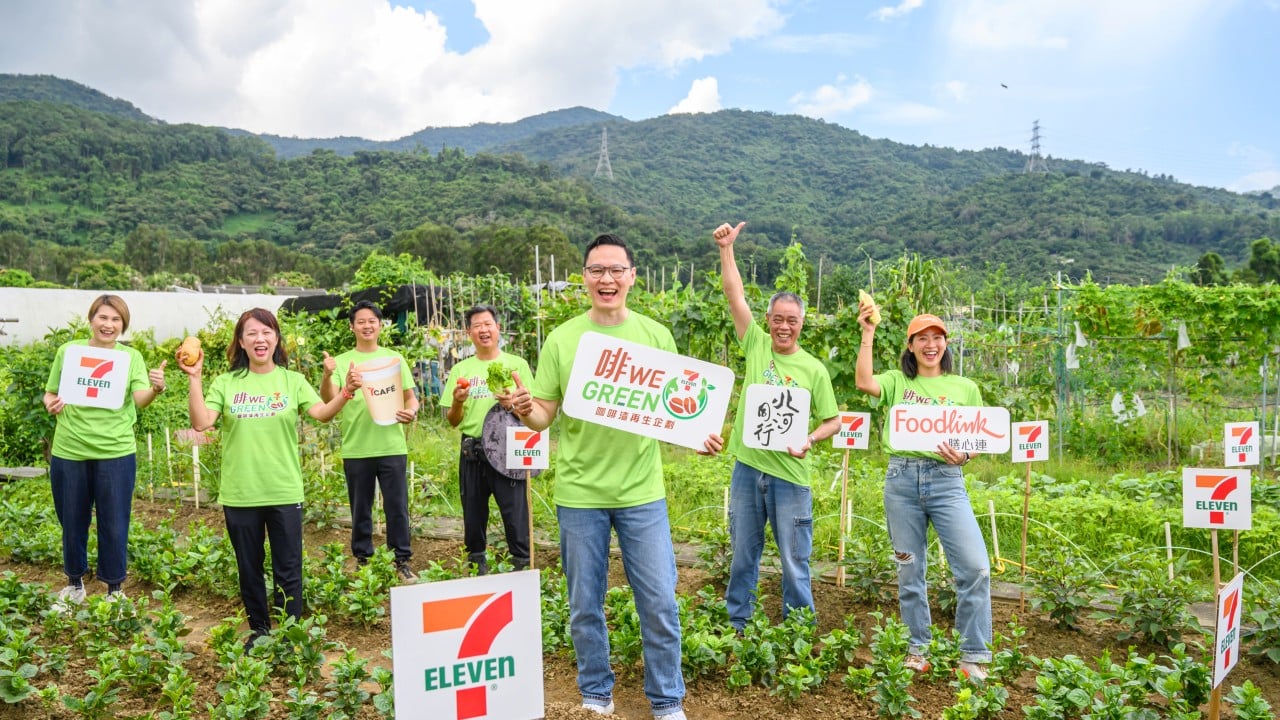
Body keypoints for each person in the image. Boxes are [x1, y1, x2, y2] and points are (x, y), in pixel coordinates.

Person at [510, 233, 721, 720]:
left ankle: (667, 700)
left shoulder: (655, 336)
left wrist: (698, 437)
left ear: (631, 276)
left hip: (642, 494)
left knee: (660, 603)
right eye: (596, 270)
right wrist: (526, 410)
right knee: (584, 605)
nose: (606, 279)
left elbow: (675, 413)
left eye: (615, 270)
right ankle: (596, 693)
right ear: (584, 278)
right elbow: (543, 415)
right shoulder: (563, 339)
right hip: (580, 494)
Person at [180, 308, 355, 643]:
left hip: (284, 490)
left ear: (276, 338)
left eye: (266, 332)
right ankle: (259, 631)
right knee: (250, 568)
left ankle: (290, 633)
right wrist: (194, 378)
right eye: (252, 334)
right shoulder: (226, 383)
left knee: (288, 569)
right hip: (241, 492)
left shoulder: (292, 380)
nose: (260, 339)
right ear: (241, 342)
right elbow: (202, 423)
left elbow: (321, 414)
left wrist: (345, 393)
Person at [712, 222, 841, 633]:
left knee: (794, 558)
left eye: (792, 321)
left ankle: (799, 632)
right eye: (778, 319)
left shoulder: (813, 369)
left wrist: (810, 439)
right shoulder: (756, 344)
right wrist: (727, 249)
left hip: (790, 477)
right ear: (767, 319)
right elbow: (734, 294)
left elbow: (833, 420)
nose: (784, 327)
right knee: (743, 555)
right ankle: (738, 625)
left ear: (803, 323)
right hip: (748, 469)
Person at [854, 308, 992, 684]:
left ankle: (972, 654)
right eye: (922, 339)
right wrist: (868, 332)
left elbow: (979, 438)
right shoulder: (898, 382)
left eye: (937, 338)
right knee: (910, 569)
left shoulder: (965, 388)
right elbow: (864, 381)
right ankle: (918, 648)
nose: (931, 345)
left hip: (948, 482)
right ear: (911, 346)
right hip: (901, 482)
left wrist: (964, 455)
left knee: (976, 567)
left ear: (945, 344)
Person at [43, 294, 167, 609]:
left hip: (116, 451)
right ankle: (74, 585)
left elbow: (139, 398)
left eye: (115, 320)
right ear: (91, 319)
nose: (108, 325)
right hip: (69, 449)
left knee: (114, 521)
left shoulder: (130, 358)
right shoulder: (68, 352)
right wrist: (51, 404)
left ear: (122, 324)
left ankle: (114, 591)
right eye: (103, 317)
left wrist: (155, 388)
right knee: (71, 519)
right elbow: (50, 392)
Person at [321, 300, 420, 581]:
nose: (367, 325)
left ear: (380, 325)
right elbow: (330, 398)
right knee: (360, 508)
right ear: (352, 326)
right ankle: (363, 559)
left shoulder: (394, 358)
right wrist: (328, 374)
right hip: (357, 447)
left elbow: (411, 396)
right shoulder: (342, 362)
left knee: (397, 507)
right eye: (361, 321)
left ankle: (401, 560)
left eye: (372, 320)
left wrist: (410, 411)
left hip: (391, 445)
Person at [441, 304, 534, 574]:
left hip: (509, 450)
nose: (483, 330)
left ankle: (522, 569)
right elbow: (453, 420)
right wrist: (458, 403)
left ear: (498, 328)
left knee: (516, 516)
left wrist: (512, 405)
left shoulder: (517, 365)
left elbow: (533, 412)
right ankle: (477, 568)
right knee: (474, 516)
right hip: (473, 451)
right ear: (468, 332)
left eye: (488, 324)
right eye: (477, 326)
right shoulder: (461, 370)